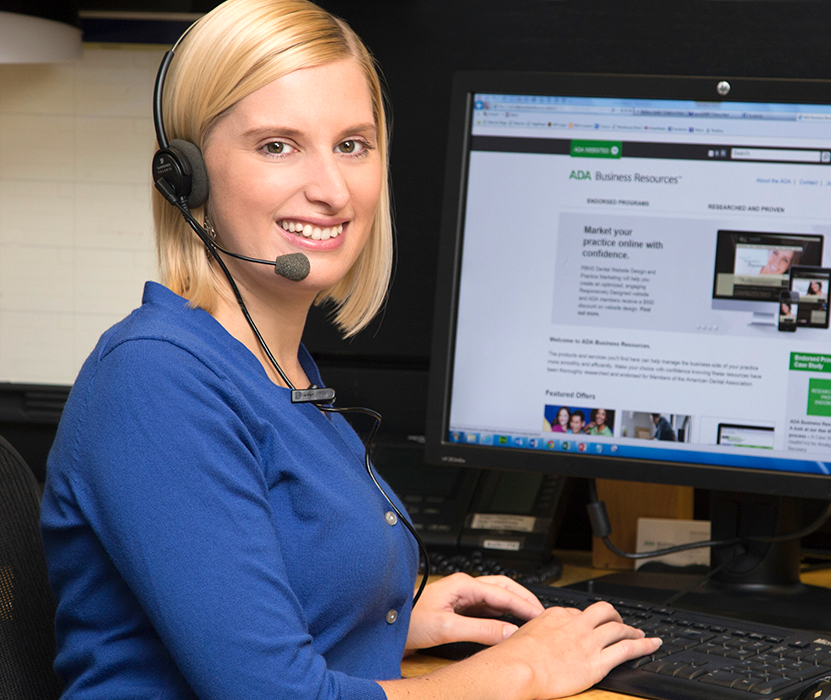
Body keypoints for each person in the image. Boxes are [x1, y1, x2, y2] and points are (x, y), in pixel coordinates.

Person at [38, 2, 659, 699]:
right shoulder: (154, 381)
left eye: (352, 145)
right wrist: (523, 669)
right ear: (187, 178)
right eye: (277, 145)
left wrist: (388, 620)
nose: (331, 190)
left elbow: (248, 607)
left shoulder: (281, 371)